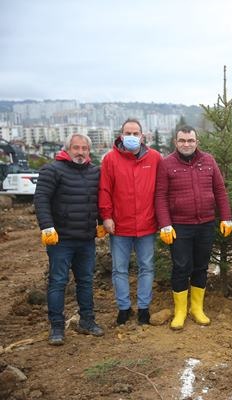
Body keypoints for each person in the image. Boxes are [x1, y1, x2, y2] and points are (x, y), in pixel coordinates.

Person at [155, 126, 232, 330]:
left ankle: (196, 308)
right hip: (179, 226)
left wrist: (226, 218)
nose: (186, 144)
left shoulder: (208, 161)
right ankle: (180, 310)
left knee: (201, 267)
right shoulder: (166, 164)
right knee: (181, 267)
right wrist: (165, 224)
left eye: (190, 140)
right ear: (176, 142)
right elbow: (160, 196)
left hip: (205, 224)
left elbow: (220, 190)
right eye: (182, 140)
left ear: (197, 142)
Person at [34, 133, 105, 345]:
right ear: (68, 149)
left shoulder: (94, 172)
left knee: (86, 281)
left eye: (84, 148)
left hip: (85, 239)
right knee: (58, 281)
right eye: (76, 148)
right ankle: (57, 326)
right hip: (61, 240)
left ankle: (87, 321)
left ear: (89, 151)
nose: (80, 152)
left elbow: (98, 200)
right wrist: (47, 226)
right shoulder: (52, 170)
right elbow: (41, 199)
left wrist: (101, 222)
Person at [99, 118, 162, 325]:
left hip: (146, 224)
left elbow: (161, 191)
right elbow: (105, 190)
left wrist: (162, 218)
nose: (132, 137)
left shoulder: (154, 158)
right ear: (121, 135)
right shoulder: (110, 159)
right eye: (128, 133)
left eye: (136, 134)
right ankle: (124, 308)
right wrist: (106, 216)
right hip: (120, 225)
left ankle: (144, 308)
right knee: (119, 269)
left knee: (146, 267)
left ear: (142, 136)